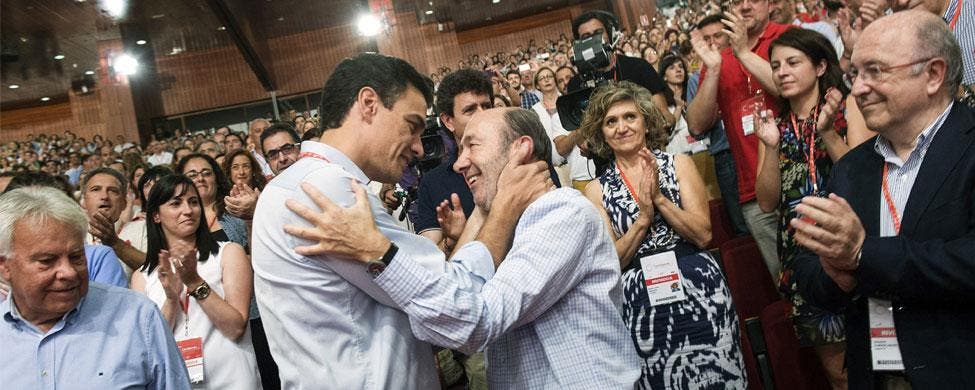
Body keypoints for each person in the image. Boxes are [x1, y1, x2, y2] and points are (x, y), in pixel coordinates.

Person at [283, 107, 640, 388]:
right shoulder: (510, 224)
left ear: (521, 149)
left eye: (472, 145)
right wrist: (486, 214)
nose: (458, 162)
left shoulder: (562, 213)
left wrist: (378, 251)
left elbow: (476, 321)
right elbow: (452, 297)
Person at [251, 53, 547, 389]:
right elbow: (457, 301)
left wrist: (478, 214)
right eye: (412, 126)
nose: (420, 148)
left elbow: (417, 284)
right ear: (368, 104)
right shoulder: (326, 189)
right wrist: (504, 206)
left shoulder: (294, 185)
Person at [790, 11, 975, 389]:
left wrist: (863, 256)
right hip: (877, 375)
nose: (858, 89)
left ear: (933, 74)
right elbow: (806, 269)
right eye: (855, 74)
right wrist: (837, 274)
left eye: (874, 71)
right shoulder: (851, 168)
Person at [578, 81, 745, 388]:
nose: (621, 127)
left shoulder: (678, 163)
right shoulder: (596, 190)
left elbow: (704, 234)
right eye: (610, 122)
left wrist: (659, 200)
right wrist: (643, 218)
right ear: (601, 133)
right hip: (641, 306)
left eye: (630, 116)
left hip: (698, 290)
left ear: (645, 120)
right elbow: (611, 260)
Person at [754, 27, 871, 389]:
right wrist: (770, 146)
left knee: (879, 361)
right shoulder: (772, 125)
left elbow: (864, 179)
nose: (782, 72)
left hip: (857, 248)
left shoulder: (847, 106)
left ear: (820, 67)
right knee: (838, 374)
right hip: (803, 258)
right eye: (776, 66)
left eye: (792, 63)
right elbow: (767, 201)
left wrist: (827, 135)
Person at [0, 186, 191, 389]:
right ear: (5, 267)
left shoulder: (137, 317)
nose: (69, 272)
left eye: (76, 257)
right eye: (47, 261)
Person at [686, 0, 792, 280]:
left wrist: (744, 52)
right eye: (736, 1)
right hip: (753, 189)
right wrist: (713, 69)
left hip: (801, 178)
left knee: (825, 279)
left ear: (771, 4)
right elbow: (696, 124)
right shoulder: (720, 57)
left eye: (753, 0)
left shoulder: (787, 36)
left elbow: (787, 90)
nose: (745, 6)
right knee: (785, 283)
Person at [130, 175, 262, 389]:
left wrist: (194, 282)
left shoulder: (228, 253)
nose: (188, 210)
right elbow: (150, 345)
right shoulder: (142, 277)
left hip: (232, 380)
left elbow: (236, 327)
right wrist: (172, 300)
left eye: (193, 202)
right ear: (156, 215)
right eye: (175, 203)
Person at [567, 11, 675, 128]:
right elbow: (579, 133)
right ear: (578, 44)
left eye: (598, 33)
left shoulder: (639, 67)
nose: (594, 40)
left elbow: (665, 117)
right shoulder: (576, 84)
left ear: (609, 34)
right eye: (586, 37)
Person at [176, 154, 248, 248]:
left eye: (206, 173)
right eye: (192, 175)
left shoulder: (236, 210)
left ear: (216, 178)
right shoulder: (175, 217)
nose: (200, 179)